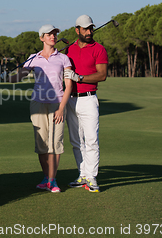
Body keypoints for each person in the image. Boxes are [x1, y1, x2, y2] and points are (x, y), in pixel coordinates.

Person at [9, 24, 72, 193]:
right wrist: (7, 76)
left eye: (55, 34)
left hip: (57, 103)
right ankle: (46, 178)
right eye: (49, 34)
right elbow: (19, 77)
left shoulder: (63, 58)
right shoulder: (33, 58)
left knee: (55, 143)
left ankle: (53, 180)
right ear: (42, 38)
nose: (53, 36)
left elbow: (69, 85)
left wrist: (61, 108)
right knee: (42, 143)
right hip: (37, 103)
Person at [63, 15, 108, 193]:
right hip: (71, 100)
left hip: (89, 98)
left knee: (91, 140)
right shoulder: (68, 49)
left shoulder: (99, 49)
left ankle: (92, 177)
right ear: (77, 30)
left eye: (91, 28)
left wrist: (79, 77)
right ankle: (82, 174)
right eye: (85, 29)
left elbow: (102, 74)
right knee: (76, 141)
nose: (89, 32)